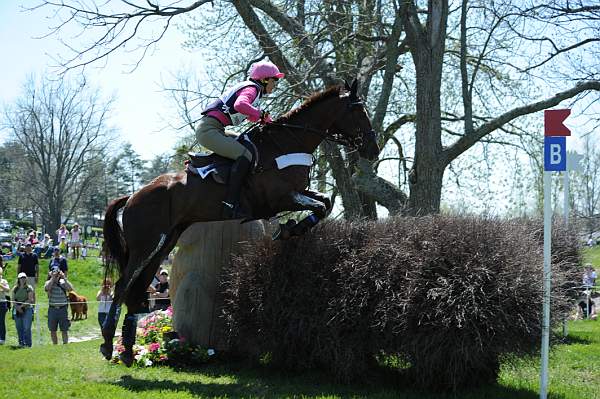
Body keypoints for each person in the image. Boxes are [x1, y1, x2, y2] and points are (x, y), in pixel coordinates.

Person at [196, 60, 284, 219]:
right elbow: (240, 105)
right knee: (245, 155)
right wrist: (260, 114)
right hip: (209, 131)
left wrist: (265, 119)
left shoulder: (253, 89)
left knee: (250, 145)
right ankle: (230, 203)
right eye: (274, 80)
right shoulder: (252, 89)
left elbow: (248, 114)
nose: (275, 85)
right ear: (264, 80)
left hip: (215, 129)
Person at [44, 268, 73, 344]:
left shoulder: (63, 282)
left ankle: (65, 344)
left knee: (64, 329)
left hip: (62, 309)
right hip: (52, 309)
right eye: (54, 272)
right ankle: (55, 346)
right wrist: (53, 278)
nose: (56, 274)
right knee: (53, 330)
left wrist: (64, 278)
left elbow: (70, 289)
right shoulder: (48, 282)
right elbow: (47, 288)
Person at [12, 272, 35, 347]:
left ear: (26, 279)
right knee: (19, 327)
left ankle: (28, 344)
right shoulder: (15, 288)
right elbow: (13, 300)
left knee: (27, 328)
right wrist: (17, 307)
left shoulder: (29, 288)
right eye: (21, 278)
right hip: (17, 309)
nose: (23, 279)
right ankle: (21, 343)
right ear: (18, 279)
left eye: (24, 277)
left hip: (27, 309)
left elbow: (30, 300)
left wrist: (21, 306)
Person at [0, 266, 9, 344]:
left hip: (2, 303)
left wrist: (1, 285)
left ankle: (2, 338)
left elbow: (7, 290)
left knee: (1, 321)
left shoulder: (4, 281)